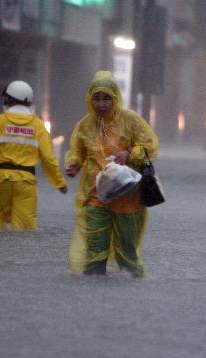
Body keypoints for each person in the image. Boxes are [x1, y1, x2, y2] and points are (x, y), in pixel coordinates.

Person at [65, 71, 159, 277]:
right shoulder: (85, 125)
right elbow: (77, 151)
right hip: (95, 195)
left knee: (128, 253)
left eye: (106, 98)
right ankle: (94, 293)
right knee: (95, 249)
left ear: (115, 98)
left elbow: (150, 147)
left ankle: (132, 288)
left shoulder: (130, 120)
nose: (101, 104)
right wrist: (73, 164)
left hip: (128, 196)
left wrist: (129, 153)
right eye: (96, 98)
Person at [0, 80, 67, 231]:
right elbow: (48, 158)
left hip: (0, 180)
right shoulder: (38, 125)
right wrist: (59, 182)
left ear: (8, 100)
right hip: (25, 182)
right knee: (24, 232)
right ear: (28, 101)